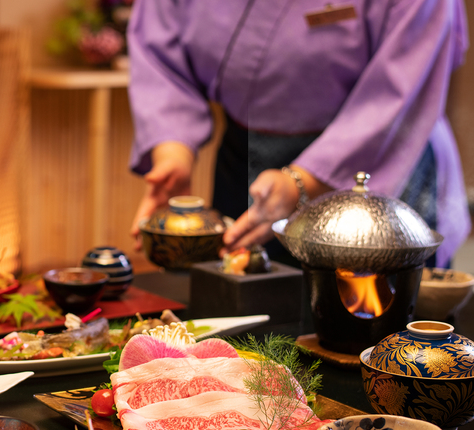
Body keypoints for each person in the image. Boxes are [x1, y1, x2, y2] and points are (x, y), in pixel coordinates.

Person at [126, 0, 470, 268]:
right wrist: (173, 151)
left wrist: (302, 183)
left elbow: (402, 86)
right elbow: (159, 51)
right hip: (246, 163)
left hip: (380, 164)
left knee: (377, 346)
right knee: (244, 335)